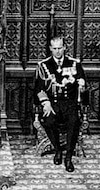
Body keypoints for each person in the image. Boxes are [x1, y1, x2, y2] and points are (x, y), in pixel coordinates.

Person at [34, 33, 86, 172]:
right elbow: (39, 88)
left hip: (70, 104)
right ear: (50, 49)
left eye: (60, 48)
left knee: (74, 123)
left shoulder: (74, 63)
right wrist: (46, 103)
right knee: (49, 121)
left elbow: (82, 84)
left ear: (64, 48)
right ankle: (58, 150)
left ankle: (68, 157)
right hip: (53, 103)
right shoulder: (44, 65)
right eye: (54, 48)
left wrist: (81, 85)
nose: (57, 51)